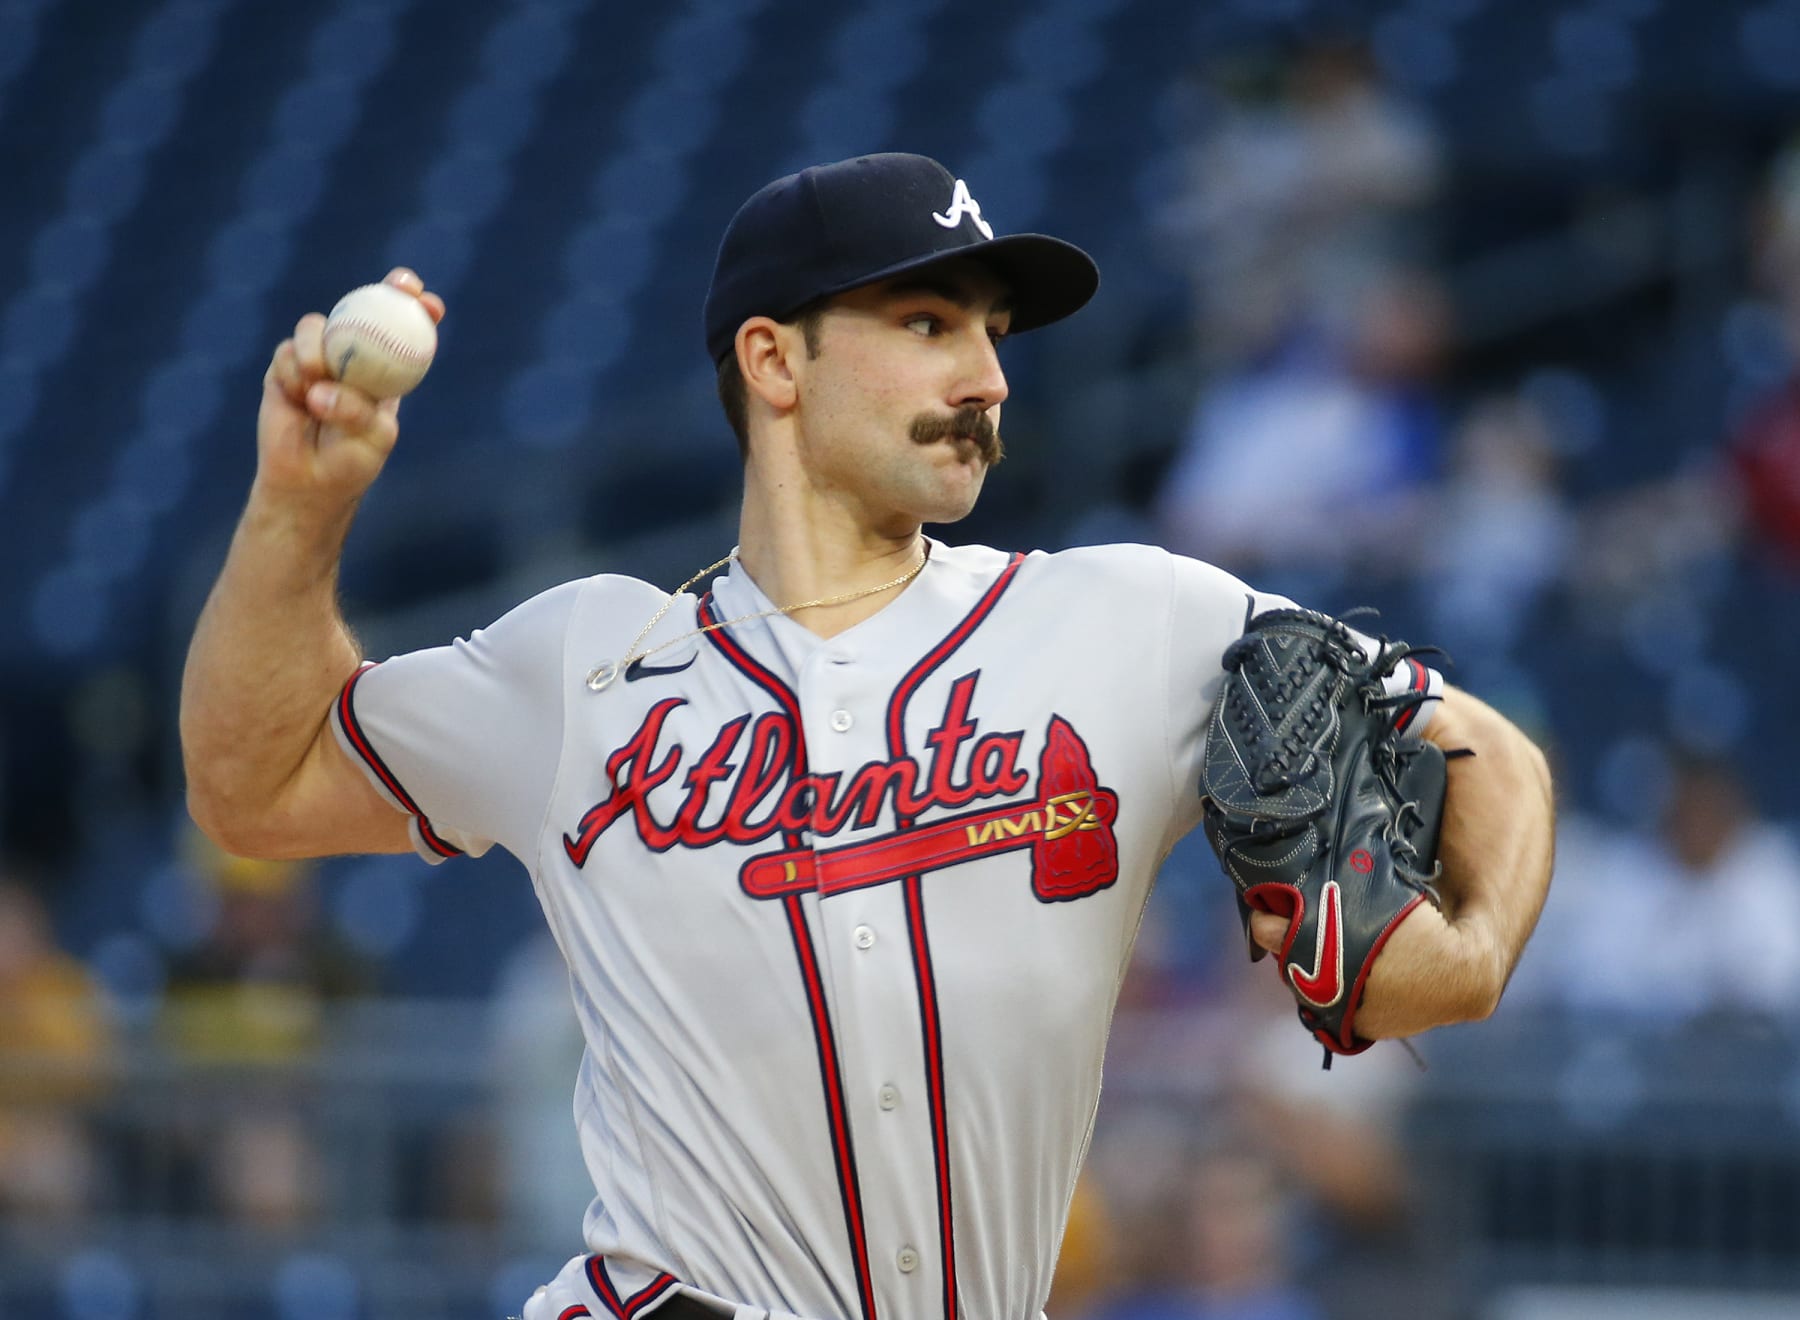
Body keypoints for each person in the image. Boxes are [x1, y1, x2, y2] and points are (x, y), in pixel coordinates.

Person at [179, 153, 1554, 1320]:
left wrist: (1473, 953)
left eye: (994, 334)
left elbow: (1494, 753)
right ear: (775, 360)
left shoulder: (1140, 621)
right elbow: (258, 787)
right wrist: (298, 515)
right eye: (928, 321)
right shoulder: (583, 662)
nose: (986, 377)